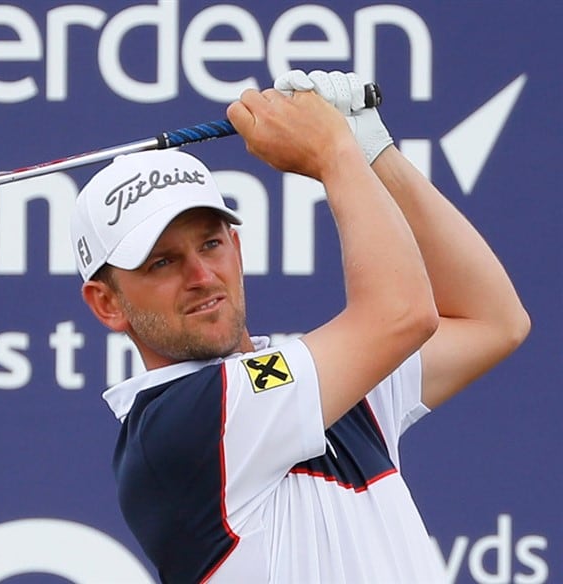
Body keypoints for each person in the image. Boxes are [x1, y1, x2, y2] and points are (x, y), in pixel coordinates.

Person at [69, 70, 530, 583]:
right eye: (162, 263)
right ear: (106, 303)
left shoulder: (321, 386)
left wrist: (373, 150)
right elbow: (402, 315)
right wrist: (336, 154)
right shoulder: (180, 424)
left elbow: (493, 320)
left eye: (211, 244)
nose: (201, 276)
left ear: (237, 248)